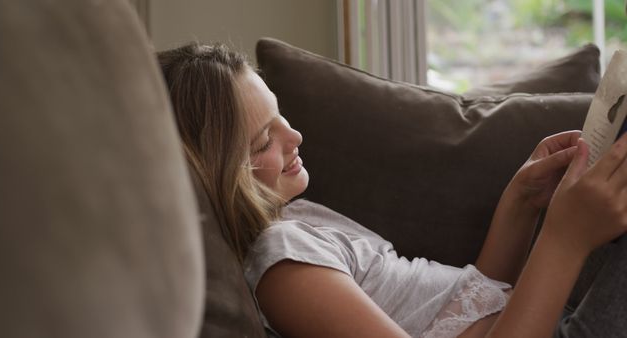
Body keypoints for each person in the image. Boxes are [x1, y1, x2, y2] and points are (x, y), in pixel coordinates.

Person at [157, 42, 627, 338]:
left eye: (281, 118)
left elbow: (464, 310)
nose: (294, 137)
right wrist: (565, 239)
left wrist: (520, 203)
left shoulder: (298, 223)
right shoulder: (283, 265)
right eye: (265, 140)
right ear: (219, 174)